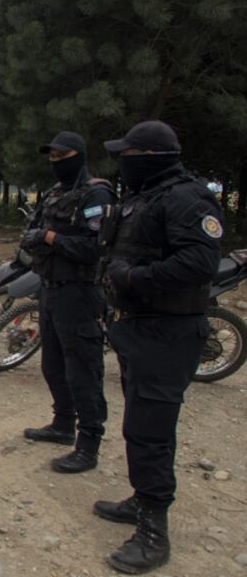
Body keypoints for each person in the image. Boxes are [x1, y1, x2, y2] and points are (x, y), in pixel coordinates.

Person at [94, 120, 222, 574]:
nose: (120, 163)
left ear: (149, 159)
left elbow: (200, 261)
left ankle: (153, 530)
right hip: (138, 328)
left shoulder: (187, 198)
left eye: (126, 156)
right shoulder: (144, 196)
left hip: (167, 332)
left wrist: (133, 278)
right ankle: (140, 499)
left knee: (149, 430)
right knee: (140, 424)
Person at [20, 132, 115, 474]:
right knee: (53, 365)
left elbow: (94, 248)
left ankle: (88, 445)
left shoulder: (97, 193)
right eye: (53, 157)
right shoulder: (56, 194)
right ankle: (62, 425)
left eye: (63, 155)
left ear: (81, 155)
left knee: (83, 371)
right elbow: (33, 234)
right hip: (51, 288)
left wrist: (50, 238)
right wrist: (38, 240)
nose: (57, 161)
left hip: (79, 292)